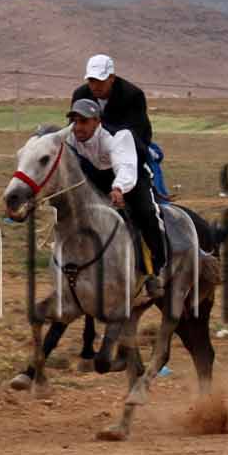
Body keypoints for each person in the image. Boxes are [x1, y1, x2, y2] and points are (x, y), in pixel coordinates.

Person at [67, 97, 165, 289]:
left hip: (132, 179)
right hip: (100, 181)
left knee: (145, 214)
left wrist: (118, 187)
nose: (78, 127)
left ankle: (156, 269)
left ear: (97, 121)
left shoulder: (117, 136)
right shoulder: (71, 136)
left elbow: (125, 166)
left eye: (84, 121)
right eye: (75, 121)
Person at [74, 54, 165, 202]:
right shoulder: (80, 95)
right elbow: (74, 130)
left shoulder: (132, 96)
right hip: (91, 160)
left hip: (130, 155)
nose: (95, 86)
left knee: (146, 211)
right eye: (91, 80)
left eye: (100, 81)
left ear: (112, 78)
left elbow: (138, 134)